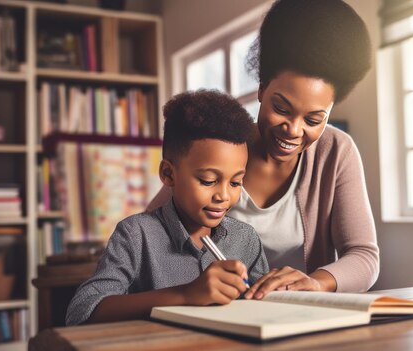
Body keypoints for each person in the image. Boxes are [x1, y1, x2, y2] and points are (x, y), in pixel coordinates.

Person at [148, 0, 379, 298]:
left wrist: (315, 282)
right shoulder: (221, 145)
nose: (294, 130)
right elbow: (151, 232)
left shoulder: (335, 151)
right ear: (261, 89)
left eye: (313, 119)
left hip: (302, 319)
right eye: (281, 108)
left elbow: (363, 255)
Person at [66, 90, 269, 325]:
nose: (223, 195)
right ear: (168, 174)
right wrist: (185, 295)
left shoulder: (245, 239)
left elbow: (264, 306)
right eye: (208, 181)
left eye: (235, 182)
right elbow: (81, 312)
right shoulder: (136, 235)